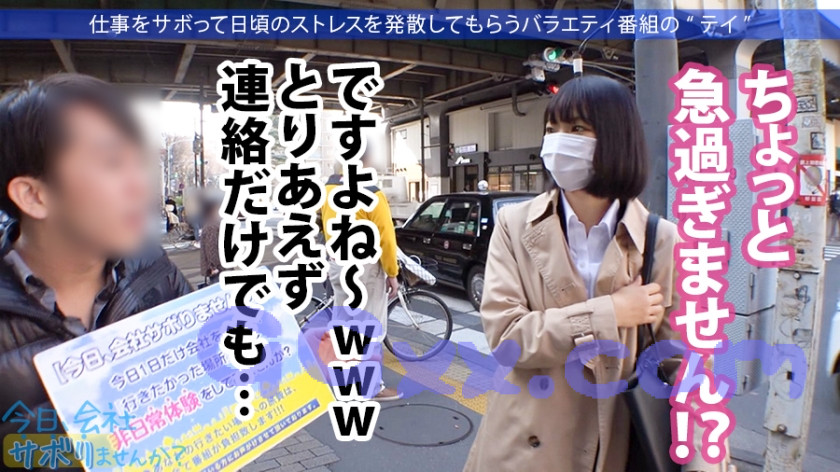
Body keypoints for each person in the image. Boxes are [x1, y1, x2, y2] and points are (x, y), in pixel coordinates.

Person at [463, 75, 724, 472]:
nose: (558, 142)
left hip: (611, 448)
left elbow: (686, 365)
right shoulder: (514, 225)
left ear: (616, 139)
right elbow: (507, 339)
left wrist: (704, 463)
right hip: (519, 447)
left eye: (577, 129)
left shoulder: (662, 240)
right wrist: (611, 313)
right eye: (552, 129)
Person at [0, 74, 192, 441]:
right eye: (112, 163)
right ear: (34, 196)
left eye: (140, 163)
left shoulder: (152, 267)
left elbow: (208, 371)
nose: (141, 186)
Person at [321, 160, 402, 401]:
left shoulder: (328, 191)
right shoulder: (372, 194)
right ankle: (371, 387)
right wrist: (392, 272)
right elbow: (386, 237)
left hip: (338, 264)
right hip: (365, 268)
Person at [200, 196, 223, 284]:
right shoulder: (212, 226)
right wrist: (215, 266)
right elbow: (211, 248)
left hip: (219, 268)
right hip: (218, 269)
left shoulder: (212, 224)